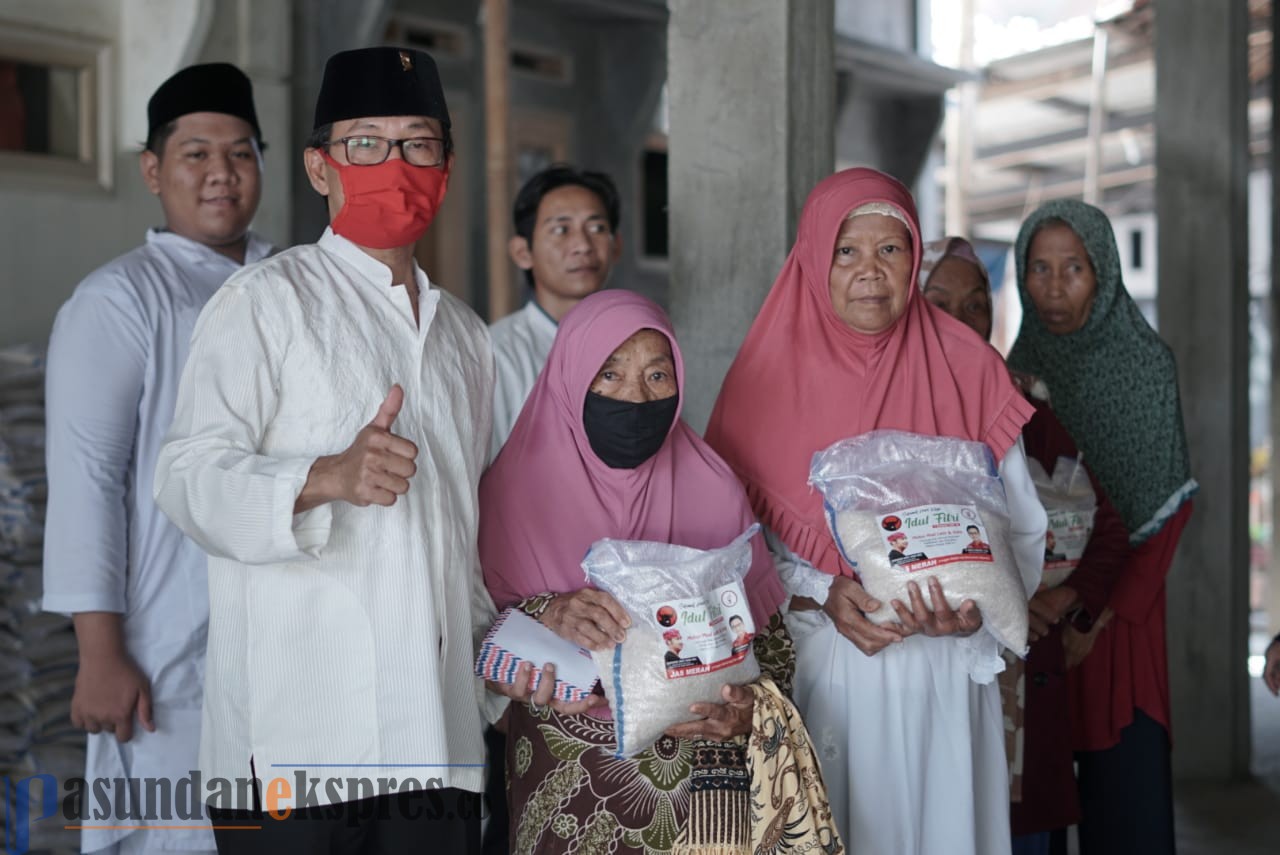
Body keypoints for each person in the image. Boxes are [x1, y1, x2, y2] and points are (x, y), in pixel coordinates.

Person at [153, 47, 494, 854]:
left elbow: (464, 539)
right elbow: (184, 476)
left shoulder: (467, 340)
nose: (395, 164)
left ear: (446, 165)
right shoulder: (266, 301)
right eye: (367, 143)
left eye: (418, 143)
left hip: (434, 740)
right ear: (319, 167)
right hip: (294, 738)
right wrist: (321, 477)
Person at [705, 168, 1047, 855]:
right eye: (846, 251)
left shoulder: (968, 365)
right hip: (828, 667)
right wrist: (821, 592)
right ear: (813, 258)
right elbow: (727, 539)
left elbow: (1024, 526)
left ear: (914, 260)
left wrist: (977, 611)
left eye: (890, 250)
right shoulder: (762, 378)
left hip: (947, 676)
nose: (870, 271)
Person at [479, 290, 841, 854]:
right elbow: (468, 635)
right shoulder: (511, 495)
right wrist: (543, 616)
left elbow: (770, 653)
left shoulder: (713, 487)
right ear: (570, 379)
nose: (635, 397)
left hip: (707, 795)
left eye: (656, 375)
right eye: (610, 376)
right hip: (574, 795)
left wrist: (746, 712)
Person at [42, 62, 271, 855]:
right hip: (167, 642)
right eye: (196, 154)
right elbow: (88, 476)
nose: (221, 175)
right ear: (153, 170)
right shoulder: (121, 300)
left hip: (288, 633)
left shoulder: (293, 283)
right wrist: (100, 650)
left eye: (240, 154)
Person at [920, 233, 1131, 855]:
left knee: (1024, 835)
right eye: (939, 303)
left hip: (1022, 678)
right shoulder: (877, 411)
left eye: (977, 304)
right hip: (922, 672)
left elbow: (1109, 529)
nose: (962, 322)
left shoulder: (1024, 406)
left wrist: (1060, 599)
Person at [1007, 200, 1196, 855]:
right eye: (1039, 267)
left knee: (1127, 803)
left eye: (1074, 268)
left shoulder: (1144, 364)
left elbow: (1168, 510)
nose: (1054, 286)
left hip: (1119, 623)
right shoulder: (1013, 370)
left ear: (1104, 273)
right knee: (1039, 808)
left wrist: (1096, 614)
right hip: (1036, 620)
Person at [489, 164, 622, 458]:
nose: (582, 245)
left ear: (616, 246)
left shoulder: (636, 345)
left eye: (597, 228)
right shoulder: (497, 353)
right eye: (561, 230)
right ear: (523, 252)